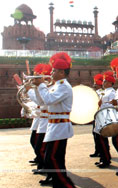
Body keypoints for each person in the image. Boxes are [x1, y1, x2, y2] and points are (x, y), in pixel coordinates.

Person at [33, 52, 75, 188]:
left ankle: (66, 185)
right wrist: (36, 88)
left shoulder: (63, 86)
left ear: (62, 73)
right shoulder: (57, 85)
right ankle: (59, 183)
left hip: (59, 127)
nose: (51, 73)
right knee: (56, 159)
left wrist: (41, 86)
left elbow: (49, 99)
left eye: (55, 71)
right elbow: (42, 101)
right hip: (54, 127)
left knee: (51, 158)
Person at [94, 72, 113, 168]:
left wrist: (101, 104)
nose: (103, 83)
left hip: (104, 117)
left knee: (102, 140)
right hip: (99, 117)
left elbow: (112, 105)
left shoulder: (112, 92)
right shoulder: (104, 91)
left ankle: (106, 160)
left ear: (110, 83)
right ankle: (102, 158)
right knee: (99, 139)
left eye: (105, 81)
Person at [90, 73, 104, 158]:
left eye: (95, 84)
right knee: (95, 134)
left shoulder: (101, 93)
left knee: (98, 135)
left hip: (99, 116)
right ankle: (97, 150)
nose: (94, 85)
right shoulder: (96, 92)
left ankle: (100, 151)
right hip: (96, 115)